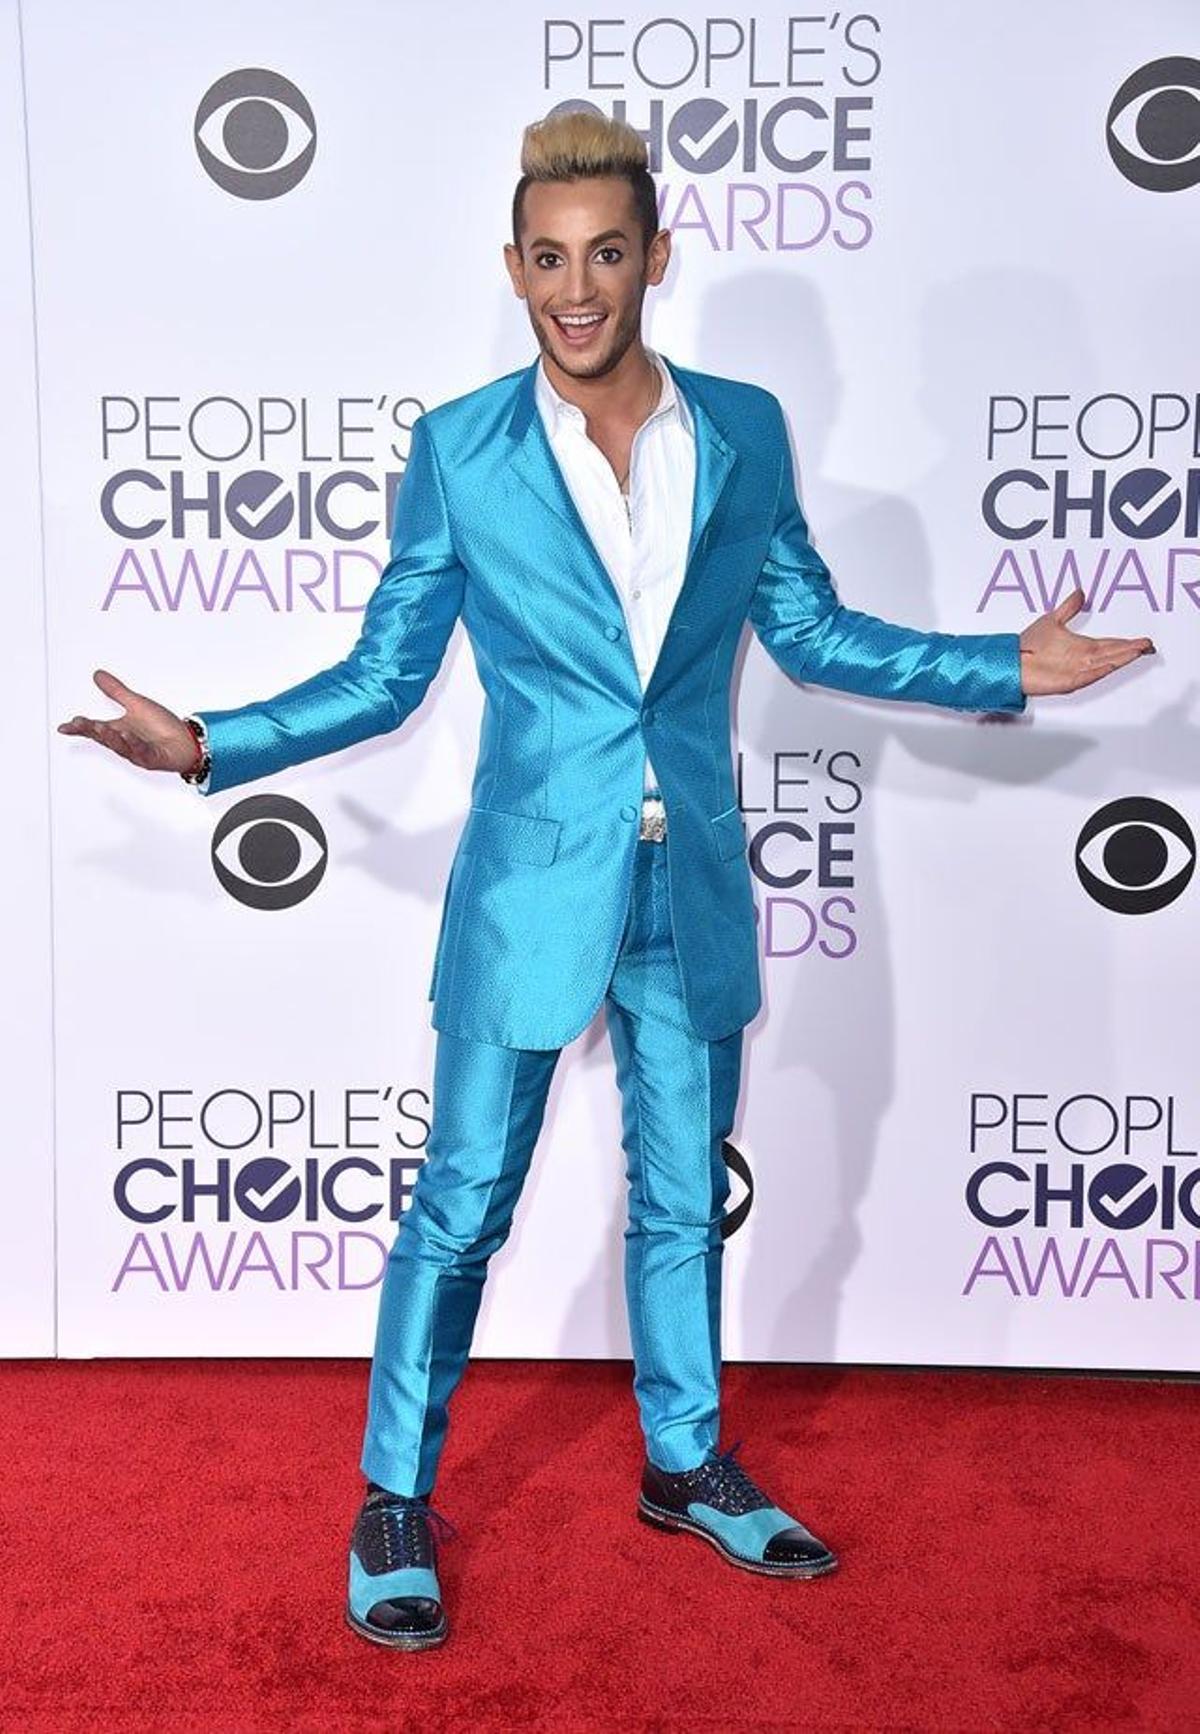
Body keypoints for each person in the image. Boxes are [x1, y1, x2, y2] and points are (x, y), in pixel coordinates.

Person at [59, 111, 1155, 1652]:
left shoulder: (745, 431)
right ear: (514, 267)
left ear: (655, 257)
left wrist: (999, 663)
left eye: (609, 255)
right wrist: (210, 744)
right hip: (528, 886)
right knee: (459, 1207)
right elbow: (387, 677)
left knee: (679, 1200)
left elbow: (816, 633)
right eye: (551, 259)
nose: (579, 288)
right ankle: (394, 1492)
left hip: (690, 878)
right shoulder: (459, 449)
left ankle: (686, 1460)